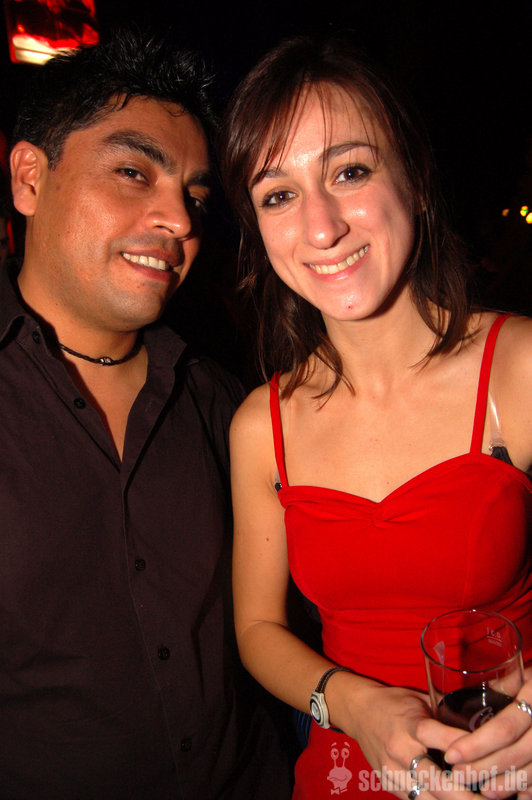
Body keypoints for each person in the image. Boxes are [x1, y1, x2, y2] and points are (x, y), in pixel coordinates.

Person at [220, 34, 532, 800]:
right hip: (342, 773)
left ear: (415, 180)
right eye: (278, 194)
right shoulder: (262, 426)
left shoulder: (519, 368)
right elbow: (257, 629)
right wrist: (351, 704)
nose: (321, 227)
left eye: (349, 172)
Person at [0, 28, 289, 799]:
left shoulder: (226, 405)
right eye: (133, 172)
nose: (181, 220)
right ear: (30, 178)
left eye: (194, 196)